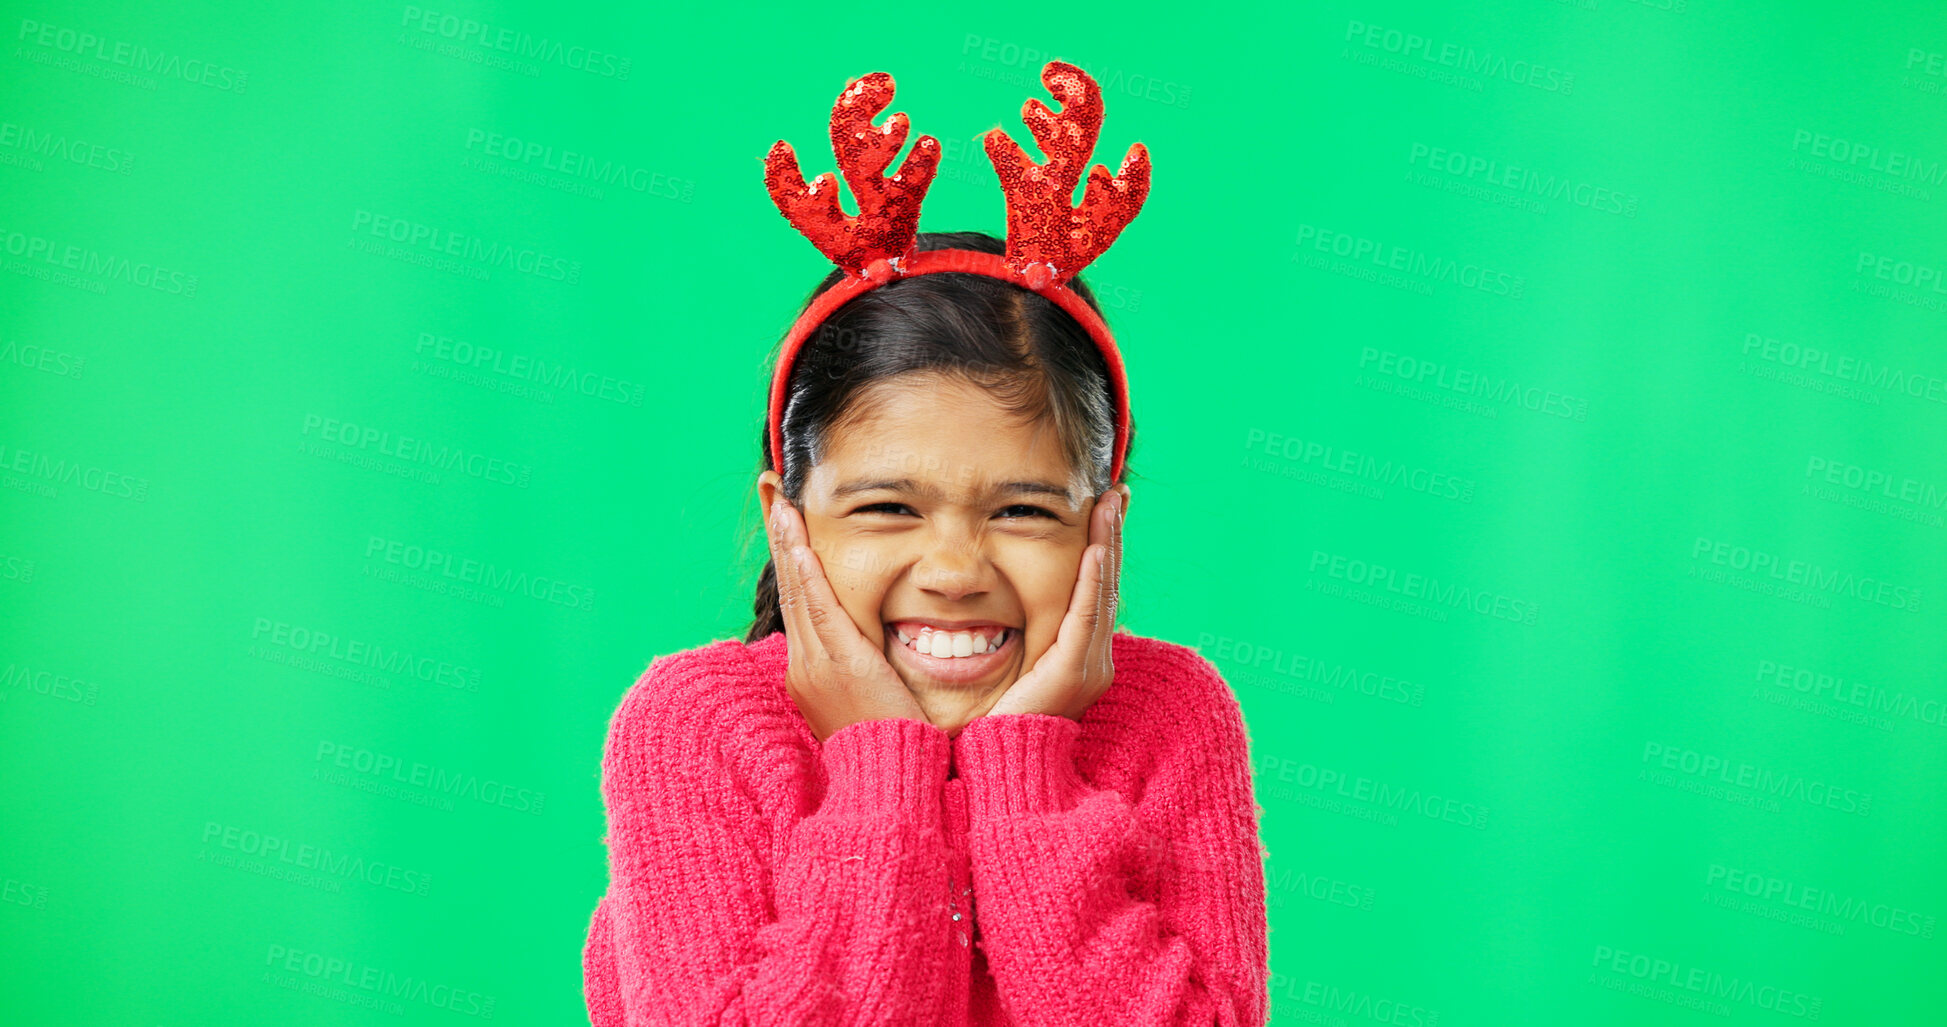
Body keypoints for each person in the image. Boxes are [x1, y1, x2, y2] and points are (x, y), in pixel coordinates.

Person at [583, 62, 1268, 1027]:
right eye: (886, 509)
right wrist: (878, 763)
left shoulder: (1171, 717)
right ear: (788, 520)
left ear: (1103, 516)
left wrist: (1023, 767)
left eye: (1024, 511)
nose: (953, 571)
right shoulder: (698, 728)